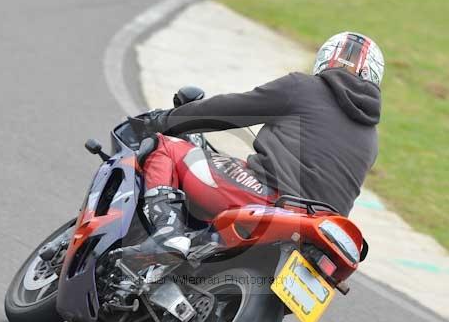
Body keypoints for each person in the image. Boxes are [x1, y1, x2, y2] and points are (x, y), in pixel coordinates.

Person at [130, 31, 384, 260]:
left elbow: (229, 110)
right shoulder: (371, 138)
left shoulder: (302, 88)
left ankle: (167, 233)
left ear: (326, 59)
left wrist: (166, 120)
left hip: (269, 199)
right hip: (320, 231)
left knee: (165, 147)